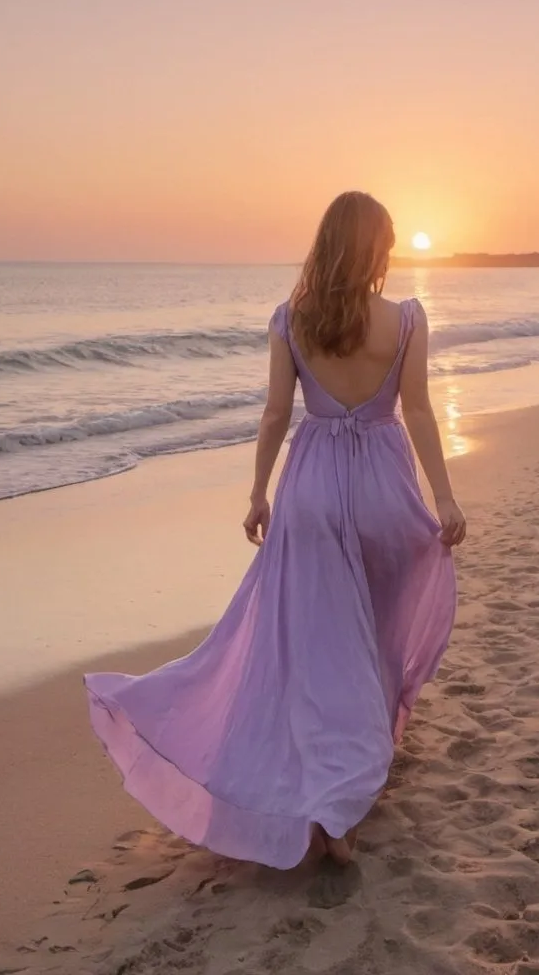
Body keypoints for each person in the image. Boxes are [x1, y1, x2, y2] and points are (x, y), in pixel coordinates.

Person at [85, 191, 465, 869]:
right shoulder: (406, 319)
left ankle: (333, 792)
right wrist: (445, 500)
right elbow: (419, 411)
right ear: (378, 250)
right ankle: (346, 794)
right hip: (384, 486)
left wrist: (258, 492)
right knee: (372, 637)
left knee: (320, 650)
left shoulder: (290, 321)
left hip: (313, 488)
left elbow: (272, 417)